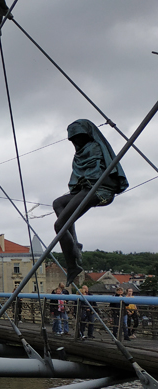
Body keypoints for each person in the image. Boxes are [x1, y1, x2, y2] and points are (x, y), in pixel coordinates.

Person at [53, 120, 128, 285]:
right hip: (86, 190)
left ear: (86, 135)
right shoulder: (79, 154)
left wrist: (85, 182)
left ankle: (72, 265)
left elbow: (94, 174)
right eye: (73, 139)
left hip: (101, 190)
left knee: (60, 225)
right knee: (58, 203)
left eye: (78, 137)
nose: (76, 142)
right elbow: (78, 178)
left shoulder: (94, 147)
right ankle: (75, 244)